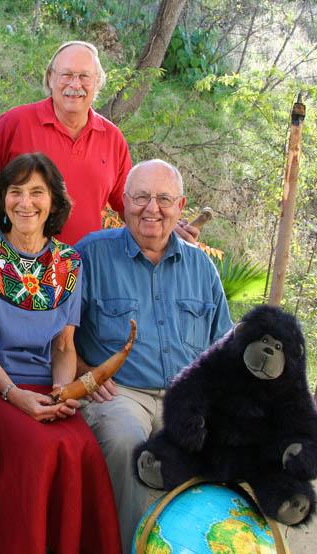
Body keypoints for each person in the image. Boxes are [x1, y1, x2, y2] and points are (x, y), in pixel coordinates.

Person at [0, 153, 121, 554]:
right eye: (16, 192)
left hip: (47, 388)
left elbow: (64, 345)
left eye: (37, 193)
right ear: (2, 200)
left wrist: (62, 392)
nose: (26, 202)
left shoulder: (69, 261)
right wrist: (13, 394)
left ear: (54, 203)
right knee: (36, 448)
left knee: (84, 449)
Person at [75, 159, 232, 549]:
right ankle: (127, 546)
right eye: (142, 197)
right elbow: (57, 335)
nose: (152, 208)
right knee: (127, 443)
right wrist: (84, 372)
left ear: (181, 205)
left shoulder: (201, 268)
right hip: (119, 393)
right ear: (123, 202)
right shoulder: (90, 256)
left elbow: (225, 347)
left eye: (163, 199)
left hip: (188, 398)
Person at [0, 41, 198, 246]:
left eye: (84, 76)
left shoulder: (113, 139)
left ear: (98, 82)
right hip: (17, 264)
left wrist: (166, 227)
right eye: (67, 75)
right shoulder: (16, 123)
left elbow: (131, 207)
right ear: (51, 78)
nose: (75, 84)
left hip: (83, 268)